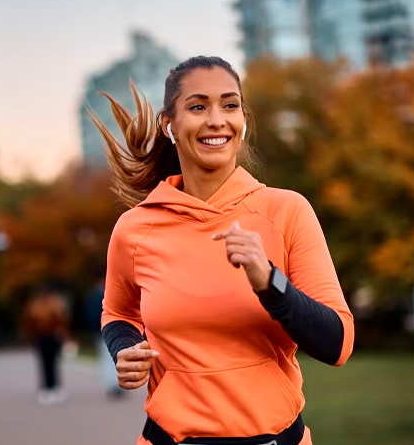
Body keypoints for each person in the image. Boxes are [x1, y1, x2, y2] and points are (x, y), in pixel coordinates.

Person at [93, 56, 355, 445]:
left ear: (242, 120)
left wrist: (269, 283)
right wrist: (126, 349)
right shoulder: (135, 228)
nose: (217, 119)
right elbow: (117, 313)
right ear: (170, 125)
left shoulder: (287, 211)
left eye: (229, 105)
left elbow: (338, 343)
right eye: (198, 107)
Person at [22, 285, 70, 406]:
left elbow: (30, 323)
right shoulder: (53, 304)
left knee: (47, 362)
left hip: (46, 337)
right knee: (49, 362)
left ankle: (50, 387)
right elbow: (61, 320)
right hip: (47, 336)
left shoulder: (37, 305)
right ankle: (50, 387)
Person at [85, 274, 124, 399]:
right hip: (109, 329)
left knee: (108, 358)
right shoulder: (108, 294)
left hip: (102, 330)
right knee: (112, 358)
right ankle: (114, 384)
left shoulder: (95, 296)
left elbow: (89, 315)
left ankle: (112, 383)